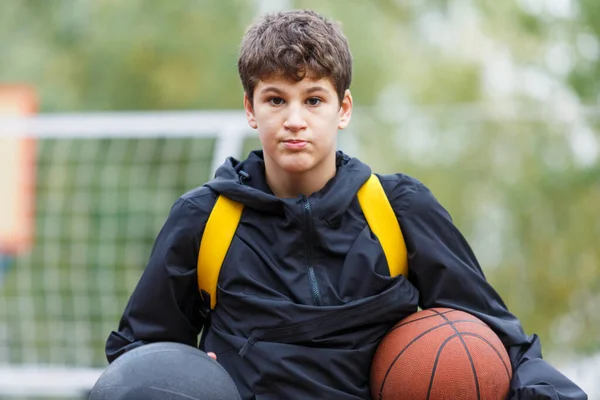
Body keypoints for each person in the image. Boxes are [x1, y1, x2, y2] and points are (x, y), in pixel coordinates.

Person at [105, 9, 587, 400]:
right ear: (250, 109)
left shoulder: (398, 210)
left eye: (313, 100)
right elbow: (138, 357)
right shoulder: (204, 219)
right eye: (276, 100)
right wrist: (179, 376)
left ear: (344, 109)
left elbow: (501, 340)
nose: (295, 120)